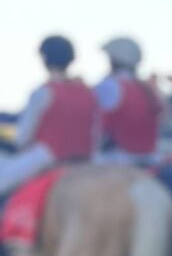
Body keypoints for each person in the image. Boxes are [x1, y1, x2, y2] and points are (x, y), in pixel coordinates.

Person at [0, 34, 99, 195]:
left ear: (44, 59)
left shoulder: (44, 92)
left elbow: (22, 138)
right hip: (85, 160)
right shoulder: (89, 93)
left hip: (47, 157)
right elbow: (96, 133)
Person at [94, 36, 163, 163]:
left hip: (117, 158)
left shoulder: (109, 86)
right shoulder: (146, 89)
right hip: (150, 157)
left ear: (114, 61)